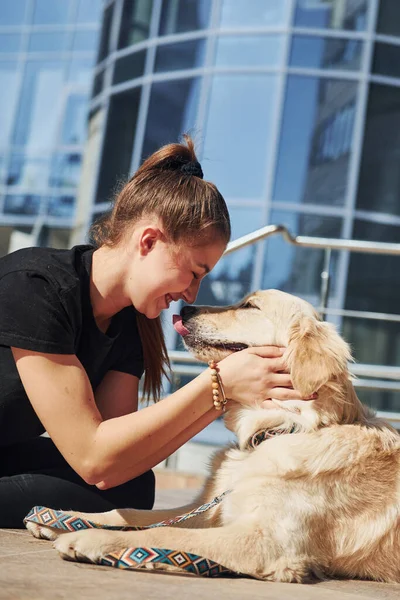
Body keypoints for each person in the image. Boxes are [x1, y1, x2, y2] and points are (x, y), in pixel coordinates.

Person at [0, 136, 311, 528]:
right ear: (149, 240)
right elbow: (92, 457)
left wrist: (223, 393)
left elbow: (118, 462)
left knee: (132, 488)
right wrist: (219, 384)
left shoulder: (129, 320)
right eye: (194, 272)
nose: (192, 293)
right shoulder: (37, 286)